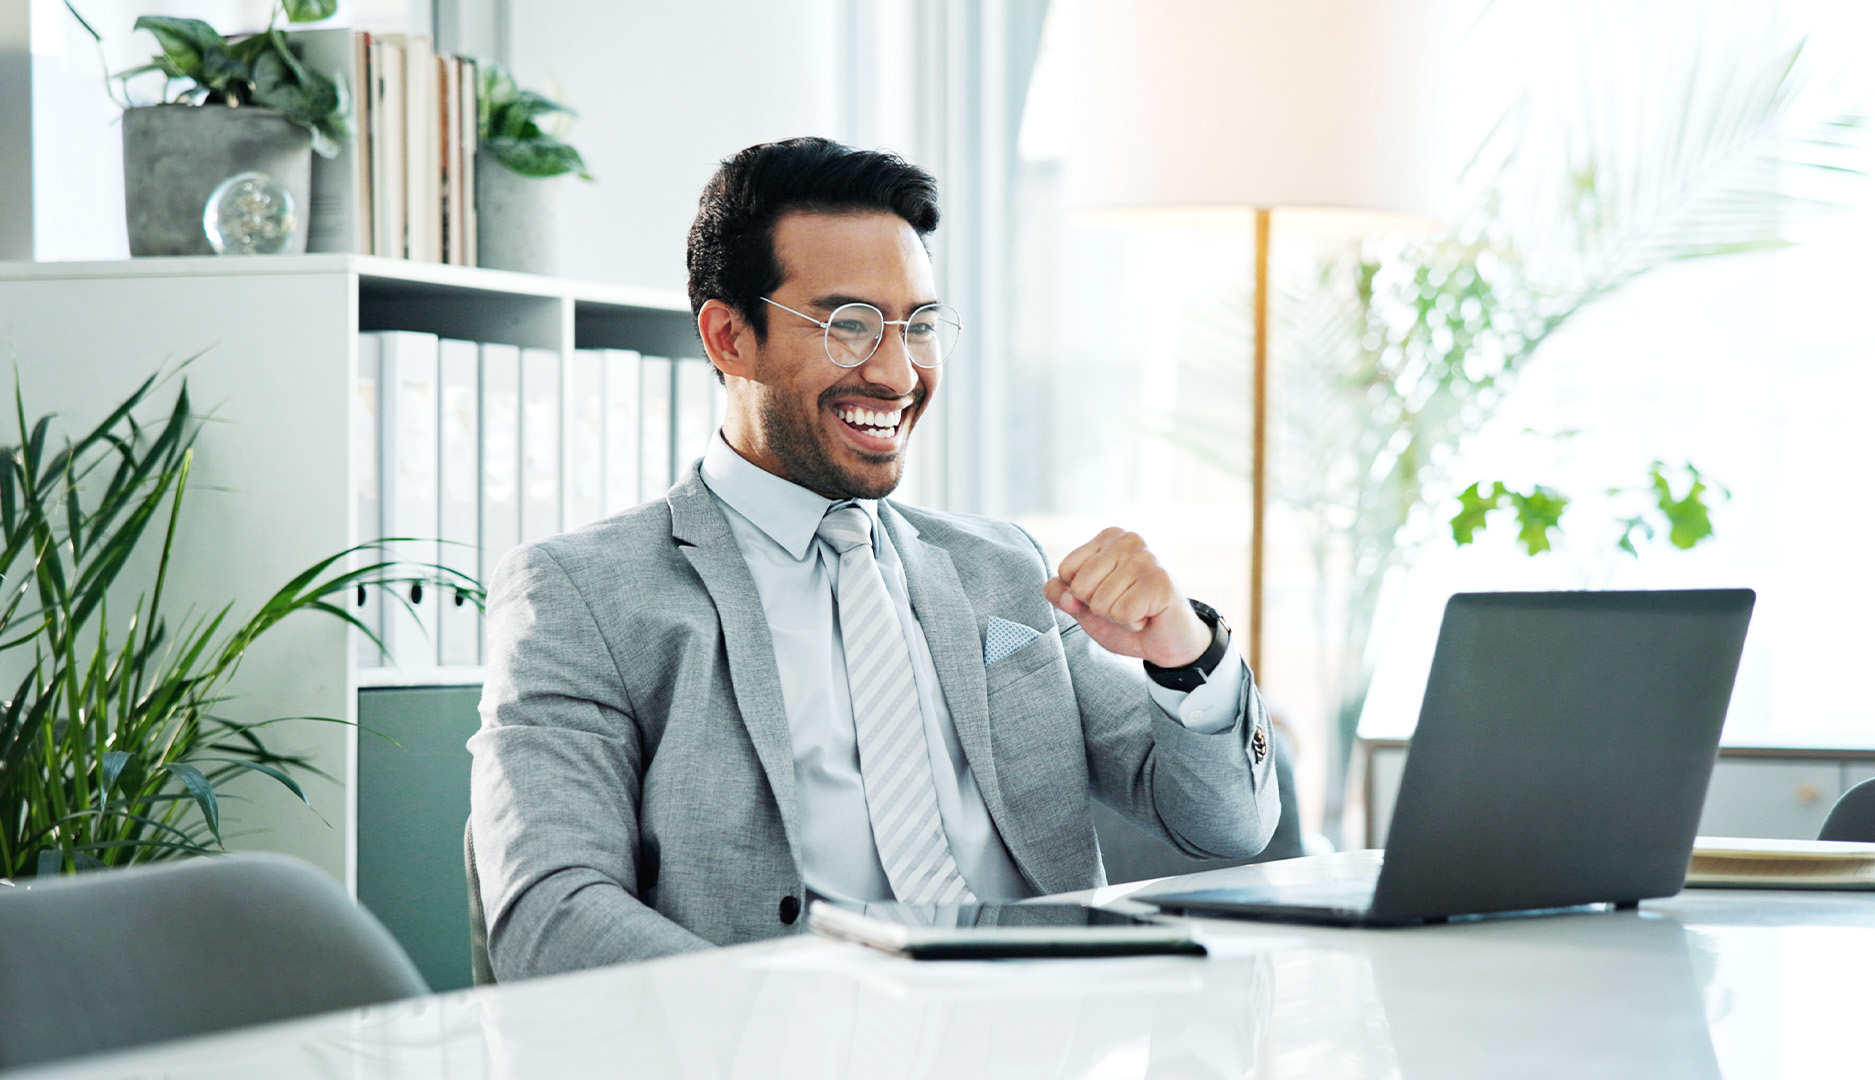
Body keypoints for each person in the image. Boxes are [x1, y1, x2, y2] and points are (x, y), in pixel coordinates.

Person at [470, 137, 1282, 979]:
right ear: (728, 336)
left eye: (920, 325)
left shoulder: (1003, 568)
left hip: (1045, 1028)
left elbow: (1224, 826)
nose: (898, 372)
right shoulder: (583, 594)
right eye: (849, 325)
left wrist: (1183, 650)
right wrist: (792, 1030)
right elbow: (550, 914)